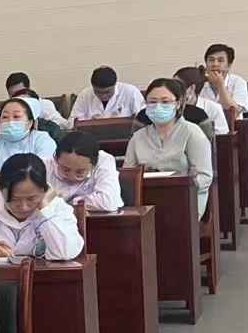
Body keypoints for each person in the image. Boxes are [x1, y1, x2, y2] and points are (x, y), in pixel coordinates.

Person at [0, 154, 84, 261]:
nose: (24, 207)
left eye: (31, 199)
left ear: (44, 190)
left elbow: (66, 252)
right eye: (14, 199)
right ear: (0, 187)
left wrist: (45, 210)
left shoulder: (56, 207)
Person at [126, 79, 215, 219]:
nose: (158, 107)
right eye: (152, 102)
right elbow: (128, 175)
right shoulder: (138, 137)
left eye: (165, 102)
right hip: (146, 198)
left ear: (177, 104)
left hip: (185, 199)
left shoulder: (192, 132)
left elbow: (204, 176)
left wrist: (183, 190)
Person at [0, 97, 58, 172]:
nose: (10, 121)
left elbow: (44, 171)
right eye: (5, 117)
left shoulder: (42, 140)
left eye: (16, 116)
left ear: (30, 123)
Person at [49, 130, 123, 212]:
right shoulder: (46, 166)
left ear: (93, 164)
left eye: (80, 172)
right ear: (56, 159)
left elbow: (108, 202)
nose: (71, 177)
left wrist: (71, 202)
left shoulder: (103, 161)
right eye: (65, 170)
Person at [70, 66, 145, 122]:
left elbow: (143, 118)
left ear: (115, 85)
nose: (103, 96)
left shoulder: (130, 91)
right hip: (92, 135)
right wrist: (89, 122)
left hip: (126, 135)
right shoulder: (84, 95)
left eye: (107, 92)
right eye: (98, 92)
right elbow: (72, 121)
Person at [173, 66, 230, 134]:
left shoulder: (213, 108)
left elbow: (221, 136)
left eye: (177, 87)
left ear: (192, 88)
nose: (172, 91)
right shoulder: (170, 107)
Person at [201, 43, 248, 122]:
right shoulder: (199, 83)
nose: (215, 64)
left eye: (220, 60)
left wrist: (220, 86)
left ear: (229, 66)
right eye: (211, 60)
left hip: (232, 128)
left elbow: (234, 114)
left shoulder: (238, 82)